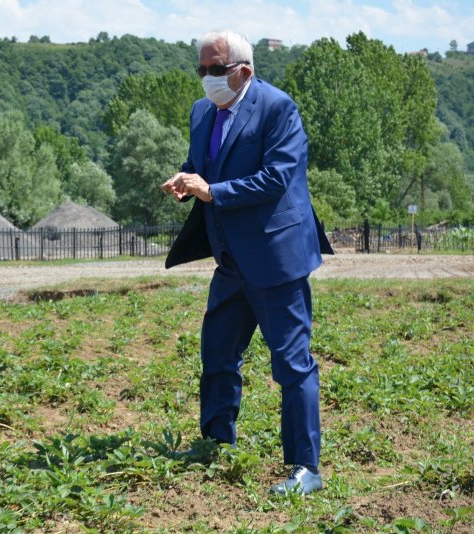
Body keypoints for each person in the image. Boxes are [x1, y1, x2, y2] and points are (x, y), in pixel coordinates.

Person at [161, 30, 333, 495]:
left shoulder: (278, 108)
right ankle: (215, 444)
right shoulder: (202, 112)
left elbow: (276, 178)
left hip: (277, 260)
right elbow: (206, 165)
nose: (207, 79)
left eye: (215, 70)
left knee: (292, 366)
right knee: (217, 354)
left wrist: (212, 192)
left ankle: (305, 469)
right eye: (201, 70)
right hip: (231, 260)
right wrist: (187, 179)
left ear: (244, 71)